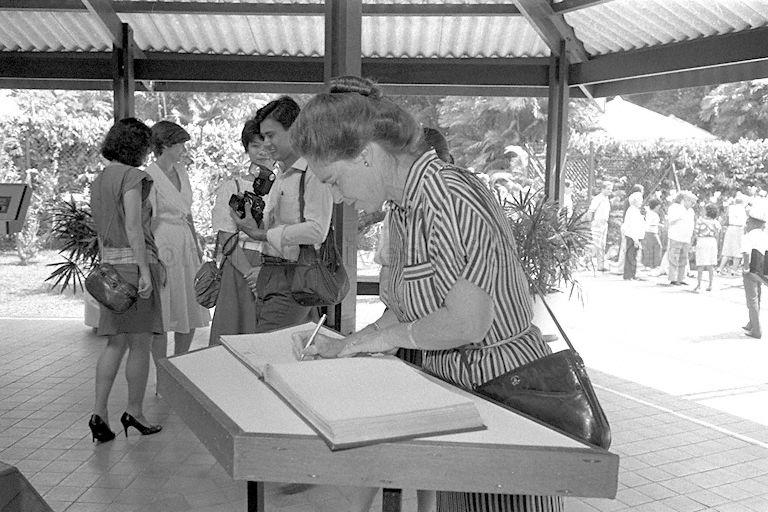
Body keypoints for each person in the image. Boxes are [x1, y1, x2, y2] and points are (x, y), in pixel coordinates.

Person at [290, 75, 562, 512]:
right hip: (462, 391)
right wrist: (350, 345)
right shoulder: (403, 207)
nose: (337, 197)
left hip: (503, 391)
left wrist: (380, 340)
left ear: (366, 155)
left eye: (335, 180)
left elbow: (467, 322)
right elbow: (405, 312)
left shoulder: (447, 195)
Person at [230, 96, 334, 333]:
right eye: (263, 137)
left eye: (271, 135)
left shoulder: (312, 172)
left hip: (295, 275)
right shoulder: (281, 175)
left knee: (267, 351)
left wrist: (264, 235)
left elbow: (318, 230)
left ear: (295, 130)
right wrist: (251, 224)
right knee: (286, 353)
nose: (266, 143)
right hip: (273, 272)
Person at [88, 118, 163, 443]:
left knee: (115, 343)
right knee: (140, 344)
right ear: (137, 146)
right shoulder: (133, 177)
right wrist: (146, 271)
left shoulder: (100, 179)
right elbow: (134, 226)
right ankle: (135, 411)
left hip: (110, 270)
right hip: (133, 269)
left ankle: (99, 414)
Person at [145, 121, 210, 367]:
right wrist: (149, 256)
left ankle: (180, 365)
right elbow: (147, 219)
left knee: (189, 307)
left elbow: (188, 212)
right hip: (163, 242)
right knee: (163, 311)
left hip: (185, 243)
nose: (184, 148)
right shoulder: (149, 176)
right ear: (165, 145)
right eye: (180, 143)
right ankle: (163, 369)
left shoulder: (182, 171)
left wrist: (196, 243)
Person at [209, 119, 272, 345]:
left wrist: (264, 273)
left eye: (267, 144)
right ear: (246, 148)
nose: (262, 151)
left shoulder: (289, 186)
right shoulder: (232, 187)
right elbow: (226, 237)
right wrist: (250, 274)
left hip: (277, 267)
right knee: (236, 340)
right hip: (240, 267)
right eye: (255, 145)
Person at [741, 203, 768, 339]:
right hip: (762, 270)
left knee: (751, 299)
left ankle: (756, 330)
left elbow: (746, 253)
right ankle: (751, 323)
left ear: (751, 223)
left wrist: (746, 268)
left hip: (751, 268)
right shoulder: (764, 235)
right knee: (758, 296)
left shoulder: (748, 235)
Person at [666, 191, 696, 286]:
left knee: (684, 259)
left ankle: (681, 278)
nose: (693, 204)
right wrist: (681, 214)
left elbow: (692, 224)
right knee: (674, 257)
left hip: (686, 237)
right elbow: (671, 220)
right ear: (685, 200)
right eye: (691, 202)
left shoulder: (691, 211)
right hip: (676, 236)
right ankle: (673, 278)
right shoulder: (675, 208)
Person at [693, 204, 722, 292]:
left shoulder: (700, 221)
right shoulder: (716, 222)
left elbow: (695, 233)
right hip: (712, 242)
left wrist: (692, 243)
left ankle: (699, 284)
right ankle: (710, 284)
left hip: (702, 241)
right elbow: (718, 235)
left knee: (700, 264)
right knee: (711, 264)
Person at [718, 193, 747, 275]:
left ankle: (720, 268)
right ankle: (734, 270)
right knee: (737, 250)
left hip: (730, 228)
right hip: (739, 229)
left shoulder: (730, 208)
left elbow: (726, 219)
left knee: (727, 249)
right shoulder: (743, 209)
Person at [587, 181, 613, 271]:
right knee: (595, 245)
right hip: (597, 223)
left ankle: (600, 265)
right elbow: (591, 211)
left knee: (602, 245)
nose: (610, 191)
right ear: (603, 189)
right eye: (608, 189)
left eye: (611, 189)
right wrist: (589, 223)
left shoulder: (607, 199)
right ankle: (584, 262)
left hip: (604, 223)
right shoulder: (598, 198)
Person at [621, 191, 645, 280]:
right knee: (630, 256)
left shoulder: (634, 210)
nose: (641, 202)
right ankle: (628, 275)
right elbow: (633, 226)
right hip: (632, 236)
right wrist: (635, 239)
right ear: (634, 201)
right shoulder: (632, 211)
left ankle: (632, 274)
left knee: (633, 255)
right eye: (639, 200)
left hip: (635, 236)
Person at [641, 198, 662, 270]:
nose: (658, 208)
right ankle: (653, 265)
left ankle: (652, 265)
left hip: (652, 232)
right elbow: (648, 223)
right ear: (655, 206)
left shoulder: (652, 213)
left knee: (653, 248)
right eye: (658, 207)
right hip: (650, 232)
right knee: (656, 247)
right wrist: (658, 225)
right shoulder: (651, 213)